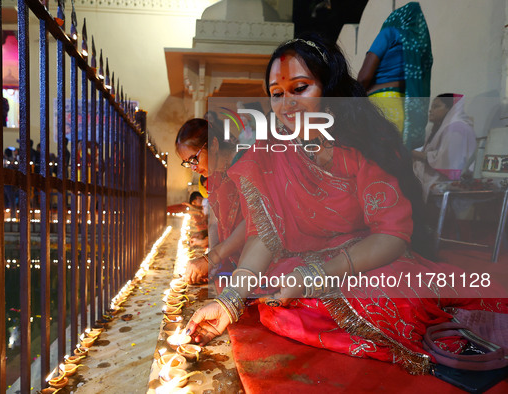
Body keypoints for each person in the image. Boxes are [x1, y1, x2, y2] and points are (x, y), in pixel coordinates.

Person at [186, 35, 507, 375]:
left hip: (369, 260)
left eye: (300, 88)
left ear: (330, 88)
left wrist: (317, 276)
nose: (286, 104)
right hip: (309, 260)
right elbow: (265, 232)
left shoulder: (362, 143)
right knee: (276, 294)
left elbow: (392, 235)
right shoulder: (272, 151)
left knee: (385, 298)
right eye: (277, 94)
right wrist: (230, 300)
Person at [176, 118, 246, 285]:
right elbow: (215, 222)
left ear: (213, 144)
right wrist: (214, 262)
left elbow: (254, 224)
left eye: (194, 159)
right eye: (187, 163)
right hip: (235, 260)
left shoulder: (245, 164)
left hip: (261, 262)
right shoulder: (213, 178)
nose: (193, 168)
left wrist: (211, 259)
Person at [357, 2, 432, 150]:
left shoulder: (390, 33)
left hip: (380, 105)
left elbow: (364, 77)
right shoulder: (416, 47)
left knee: (373, 163)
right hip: (404, 110)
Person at [412, 94, 476, 201]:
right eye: (431, 107)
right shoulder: (442, 127)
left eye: (436, 106)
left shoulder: (458, 128)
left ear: (450, 109)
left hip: (446, 179)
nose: (430, 111)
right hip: (435, 175)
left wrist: (414, 154)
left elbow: (446, 160)